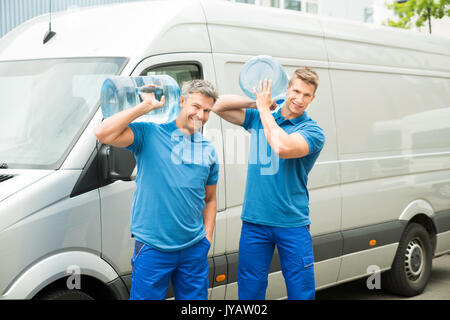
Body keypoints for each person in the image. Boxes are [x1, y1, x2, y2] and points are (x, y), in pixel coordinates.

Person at [95, 79, 219, 300]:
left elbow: (210, 200)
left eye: (207, 111)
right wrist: (145, 106)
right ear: (182, 101)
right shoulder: (150, 133)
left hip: (193, 248)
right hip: (153, 247)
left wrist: (206, 240)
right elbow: (104, 133)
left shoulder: (208, 150)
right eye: (196, 107)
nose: (201, 115)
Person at [212, 67, 325, 300]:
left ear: (313, 98)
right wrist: (258, 103)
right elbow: (217, 105)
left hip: (292, 223)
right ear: (287, 88)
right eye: (295, 91)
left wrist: (264, 111)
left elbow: (282, 147)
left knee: (301, 293)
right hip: (255, 222)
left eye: (306, 95)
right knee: (249, 292)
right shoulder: (260, 115)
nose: (299, 99)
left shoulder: (312, 131)